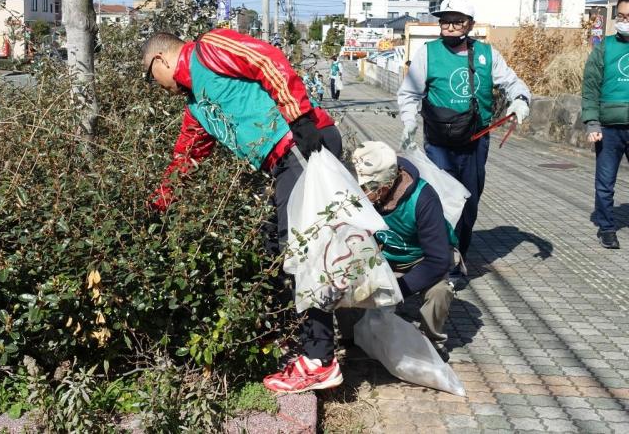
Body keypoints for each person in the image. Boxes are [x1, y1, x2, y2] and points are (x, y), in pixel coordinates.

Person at [142, 29, 344, 393]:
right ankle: (303, 341)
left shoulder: (208, 49)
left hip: (300, 145)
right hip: (283, 163)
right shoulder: (198, 108)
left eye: (150, 76)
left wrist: (299, 119)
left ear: (160, 60)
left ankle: (319, 361)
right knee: (274, 249)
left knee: (303, 250)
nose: (155, 86)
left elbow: (266, 60)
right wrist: (159, 204)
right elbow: (185, 158)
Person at [398, 0, 531, 279]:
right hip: (438, 142)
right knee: (443, 200)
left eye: (457, 21)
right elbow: (409, 93)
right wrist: (409, 123)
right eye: (445, 21)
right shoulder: (427, 53)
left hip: (475, 141)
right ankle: (444, 262)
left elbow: (512, 82)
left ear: (470, 24)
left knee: (468, 202)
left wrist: (520, 99)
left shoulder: (486, 54)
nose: (450, 26)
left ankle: (461, 254)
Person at [353, 142, 457, 361]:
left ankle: (433, 342)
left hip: (420, 259)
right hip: (382, 257)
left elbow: (438, 260)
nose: (362, 193)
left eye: (368, 188)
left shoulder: (423, 198)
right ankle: (352, 338)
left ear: (387, 184)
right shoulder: (360, 196)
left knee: (440, 291)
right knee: (347, 280)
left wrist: (398, 290)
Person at [581, 0, 629, 249]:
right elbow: (590, 87)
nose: (624, 21)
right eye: (621, 16)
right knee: (605, 181)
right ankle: (607, 227)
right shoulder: (605, 48)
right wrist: (592, 122)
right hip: (609, 128)